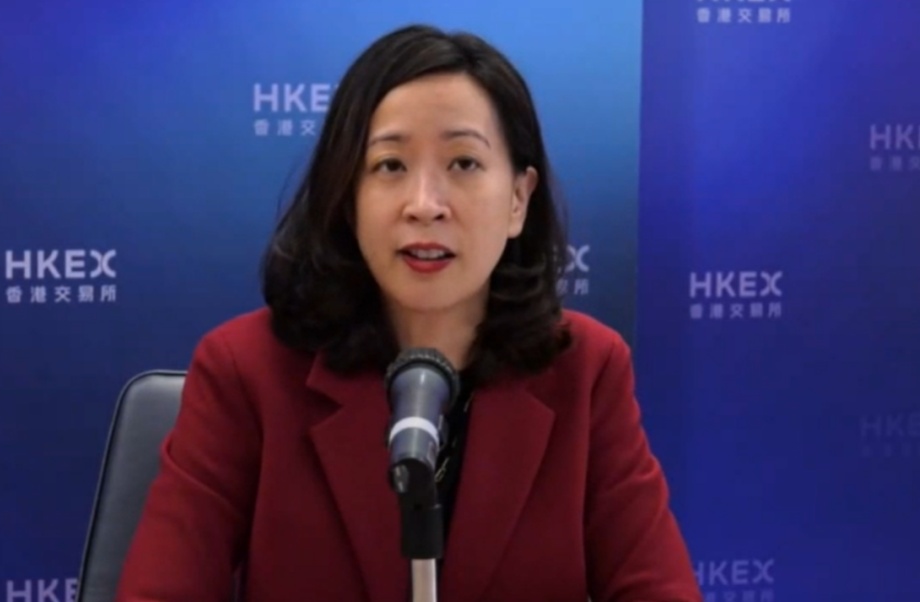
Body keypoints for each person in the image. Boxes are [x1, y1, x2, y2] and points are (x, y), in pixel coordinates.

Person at [114, 24, 700, 602]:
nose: (424, 205)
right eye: (390, 166)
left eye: (463, 163)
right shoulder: (246, 373)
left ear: (518, 199)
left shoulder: (586, 371)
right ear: (348, 197)